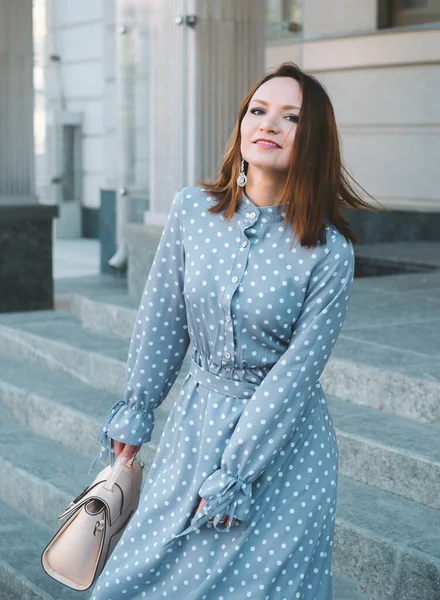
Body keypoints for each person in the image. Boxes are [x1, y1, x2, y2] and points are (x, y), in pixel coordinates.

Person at [90, 62, 375, 600]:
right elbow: (161, 318)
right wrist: (137, 408)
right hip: (194, 428)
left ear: (313, 140)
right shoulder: (193, 211)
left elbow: (295, 376)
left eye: (291, 117)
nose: (268, 124)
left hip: (283, 450)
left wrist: (237, 471)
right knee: (137, 580)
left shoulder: (329, 252)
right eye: (258, 110)